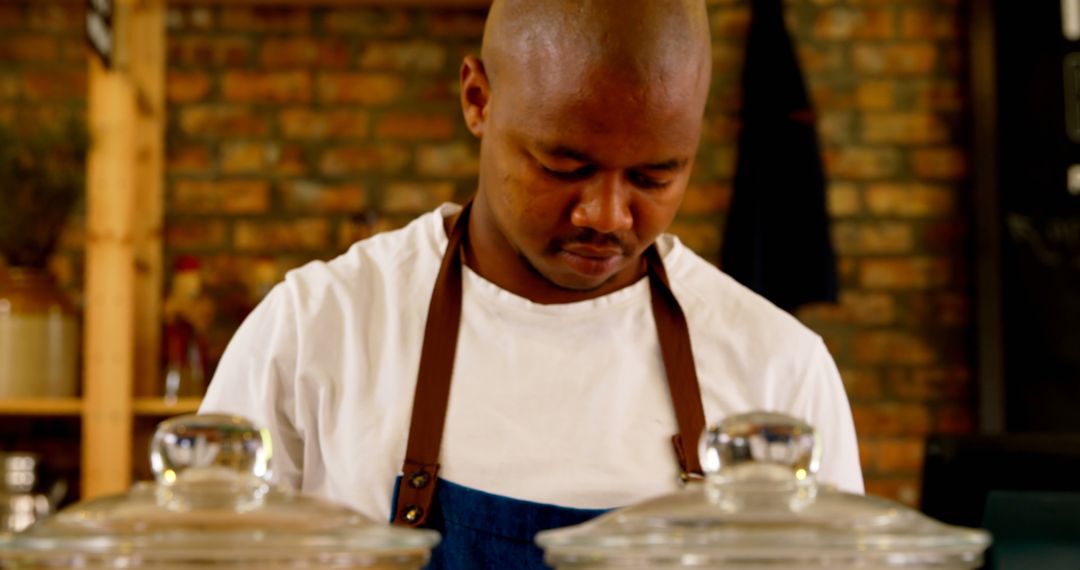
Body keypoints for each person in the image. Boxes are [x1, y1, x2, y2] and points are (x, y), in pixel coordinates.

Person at [200, 0, 863, 567]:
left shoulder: (778, 372)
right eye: (563, 164)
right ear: (477, 99)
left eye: (654, 177)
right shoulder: (316, 332)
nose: (608, 214)